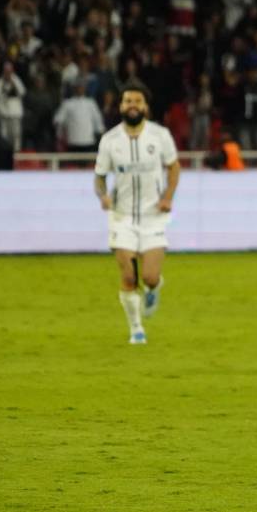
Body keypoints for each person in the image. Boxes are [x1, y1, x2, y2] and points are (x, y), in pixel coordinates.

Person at [93, 84, 180, 344]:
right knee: (129, 277)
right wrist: (103, 195)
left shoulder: (160, 136)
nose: (132, 105)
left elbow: (174, 167)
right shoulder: (110, 140)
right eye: (127, 100)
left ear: (145, 107)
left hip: (153, 216)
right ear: (120, 106)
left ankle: (154, 288)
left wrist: (167, 197)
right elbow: (99, 178)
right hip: (122, 217)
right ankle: (136, 329)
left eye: (137, 101)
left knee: (150, 277)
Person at [0, 61, 26, 152]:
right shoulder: (0, 81)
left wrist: (13, 83)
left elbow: (22, 92)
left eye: (9, 70)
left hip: (15, 112)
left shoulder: (16, 80)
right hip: (3, 112)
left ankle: (16, 150)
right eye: (6, 70)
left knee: (16, 133)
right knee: (3, 134)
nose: (7, 72)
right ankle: (4, 150)